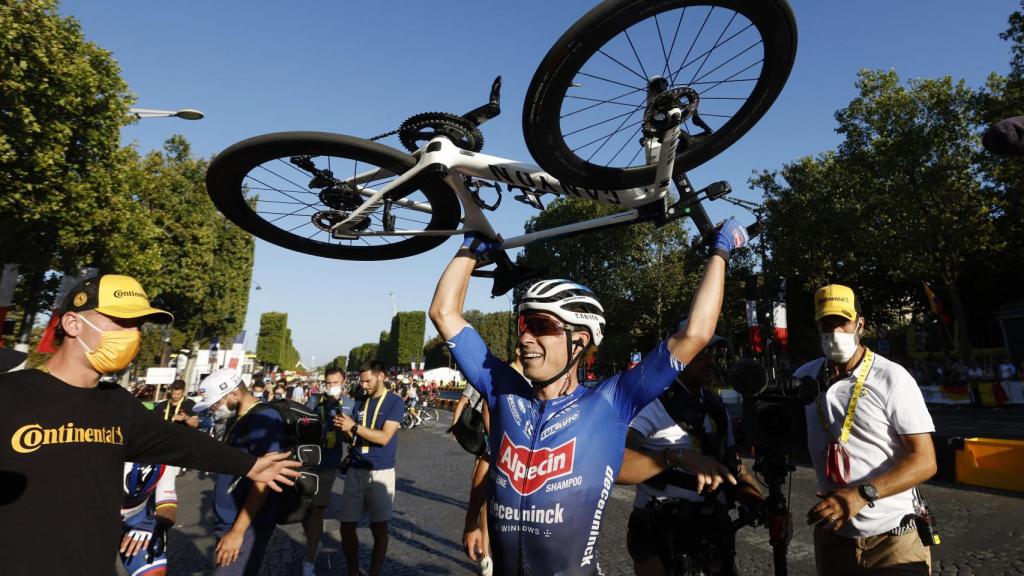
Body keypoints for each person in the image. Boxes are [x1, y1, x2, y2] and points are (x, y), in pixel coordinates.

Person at [428, 221, 748, 576]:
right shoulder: (501, 388)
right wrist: (471, 247)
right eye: (523, 326)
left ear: (579, 341)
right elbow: (443, 313)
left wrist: (721, 250)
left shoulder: (611, 401)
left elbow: (695, 334)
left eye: (541, 327)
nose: (525, 339)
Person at [0, 274, 299, 576]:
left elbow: (182, 444)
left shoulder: (117, 404)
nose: (133, 334)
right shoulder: (10, 394)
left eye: (138, 325)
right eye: (121, 321)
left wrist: (249, 465)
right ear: (73, 324)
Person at [796, 284, 937, 576]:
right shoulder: (803, 378)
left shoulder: (892, 378)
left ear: (860, 323)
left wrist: (861, 495)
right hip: (835, 538)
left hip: (894, 538)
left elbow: (925, 461)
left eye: (843, 321)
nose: (835, 331)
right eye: (827, 322)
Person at [618, 331, 763, 576]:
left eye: (713, 354)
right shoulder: (652, 403)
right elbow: (619, 457)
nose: (709, 360)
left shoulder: (715, 407)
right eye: (700, 354)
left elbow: (733, 464)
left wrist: (758, 500)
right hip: (660, 532)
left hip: (711, 528)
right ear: (678, 355)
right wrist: (676, 457)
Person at [195, 369, 285, 576]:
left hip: (246, 523)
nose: (213, 410)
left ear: (234, 394)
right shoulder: (238, 416)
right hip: (229, 519)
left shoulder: (264, 417)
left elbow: (264, 480)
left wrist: (237, 532)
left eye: (216, 404)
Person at [332, 361, 405, 576]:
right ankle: (353, 571)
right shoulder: (360, 402)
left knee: (379, 528)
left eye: (367, 380)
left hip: (380, 471)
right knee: (346, 527)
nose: (363, 385)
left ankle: (374, 572)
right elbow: (352, 437)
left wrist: (353, 427)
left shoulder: (394, 402)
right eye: (361, 381)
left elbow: (384, 438)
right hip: (355, 469)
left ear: (381, 376)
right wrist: (343, 426)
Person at [299, 367, 347, 576]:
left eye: (334, 383)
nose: (330, 387)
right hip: (307, 461)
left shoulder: (350, 404)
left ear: (343, 382)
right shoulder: (314, 401)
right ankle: (314, 540)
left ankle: (309, 560)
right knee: (302, 510)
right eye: (327, 383)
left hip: (328, 462)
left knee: (317, 509)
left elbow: (350, 437)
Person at [117, 462, 177, 576]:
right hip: (95, 520)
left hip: (136, 519)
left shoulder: (164, 461)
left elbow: (169, 510)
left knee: (155, 573)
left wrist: (151, 522)